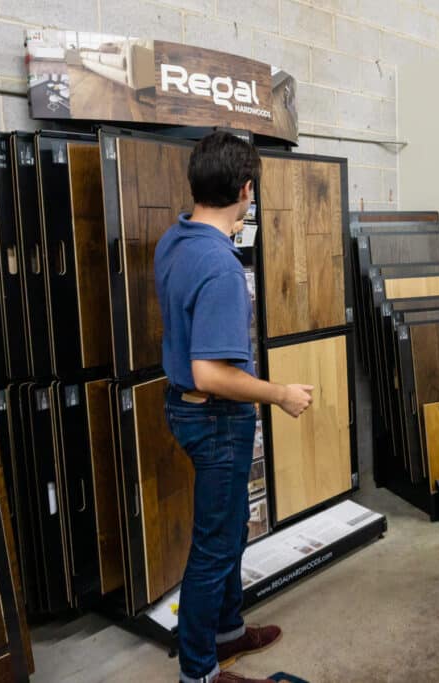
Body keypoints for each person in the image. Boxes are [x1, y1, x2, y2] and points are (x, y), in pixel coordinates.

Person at [155, 131, 314, 683]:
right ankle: (200, 671)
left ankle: (227, 632)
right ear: (247, 189)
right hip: (214, 417)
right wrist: (281, 394)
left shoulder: (176, 238)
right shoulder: (219, 266)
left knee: (230, 531)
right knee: (215, 548)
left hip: (188, 409)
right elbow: (211, 373)